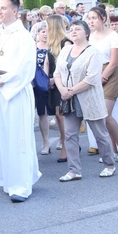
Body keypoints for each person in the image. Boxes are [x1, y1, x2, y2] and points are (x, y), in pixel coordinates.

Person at [0, 0, 41, 202]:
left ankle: (22, 186)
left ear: (15, 11)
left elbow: (25, 68)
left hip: (16, 92)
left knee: (19, 138)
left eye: (3, 8)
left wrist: (3, 80)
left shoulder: (24, 36)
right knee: (5, 138)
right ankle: (10, 180)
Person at [54, 20, 117, 180]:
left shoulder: (93, 52)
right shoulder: (65, 50)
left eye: (78, 29)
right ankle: (74, 170)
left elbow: (92, 78)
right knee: (70, 135)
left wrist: (71, 90)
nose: (73, 31)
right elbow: (57, 73)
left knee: (100, 134)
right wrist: (62, 89)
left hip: (88, 98)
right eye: (71, 29)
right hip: (68, 99)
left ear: (86, 33)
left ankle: (109, 165)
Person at [87, 6, 118, 162]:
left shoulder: (113, 36)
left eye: (94, 18)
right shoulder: (90, 37)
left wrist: (103, 77)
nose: (90, 21)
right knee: (99, 116)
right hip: (93, 74)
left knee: (105, 114)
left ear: (103, 19)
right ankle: (111, 150)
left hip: (109, 75)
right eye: (89, 18)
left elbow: (113, 62)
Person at [47, 15, 72, 162]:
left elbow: (69, 66)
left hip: (63, 82)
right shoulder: (51, 43)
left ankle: (67, 146)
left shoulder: (66, 43)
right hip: (53, 82)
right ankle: (66, 141)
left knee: (62, 115)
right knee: (57, 115)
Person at [34, 22, 52, 155]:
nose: (45, 34)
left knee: (58, 114)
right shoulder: (32, 47)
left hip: (52, 82)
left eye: (47, 31)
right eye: (42, 32)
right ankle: (46, 142)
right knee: (42, 113)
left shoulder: (53, 47)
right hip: (37, 84)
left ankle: (63, 140)